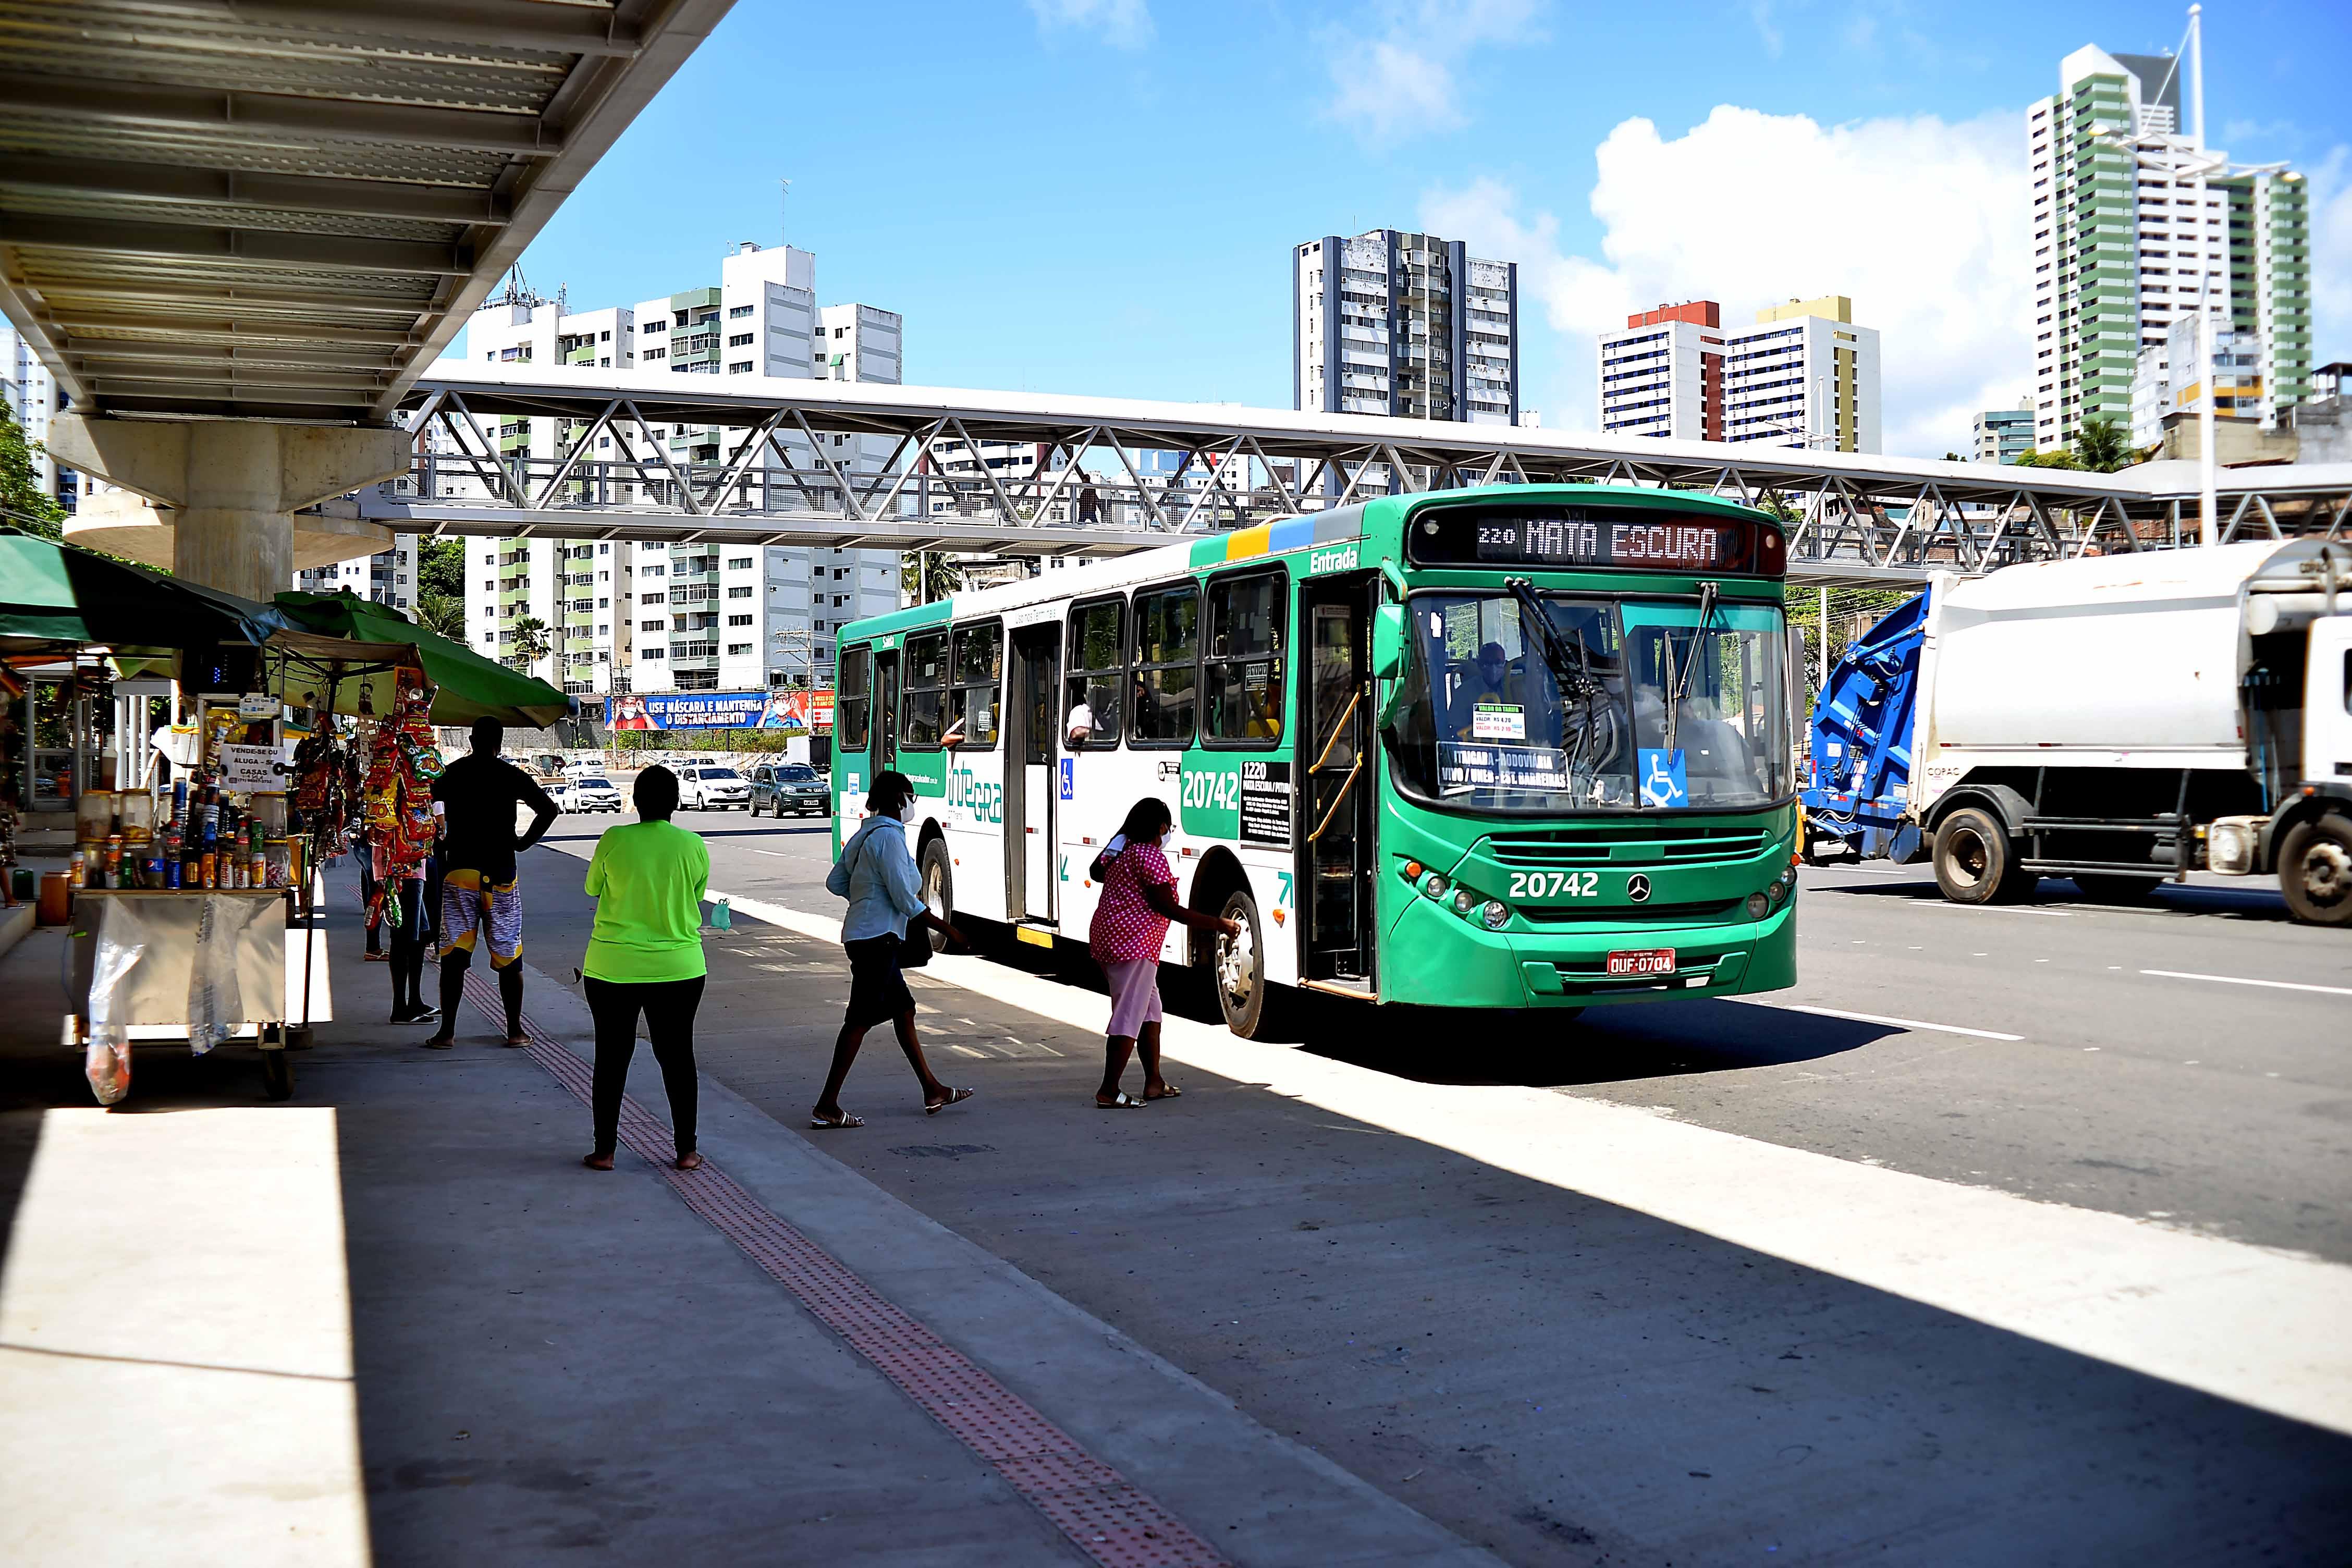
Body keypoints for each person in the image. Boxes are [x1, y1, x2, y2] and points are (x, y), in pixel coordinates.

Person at [813, 770, 971, 1128]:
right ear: (900, 799)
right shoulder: (890, 838)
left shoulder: (865, 833)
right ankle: (827, 1104)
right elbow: (905, 899)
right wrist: (950, 931)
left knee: (904, 1010)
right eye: (911, 797)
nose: (913, 804)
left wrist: (866, 898)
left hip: (864, 935)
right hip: (877, 940)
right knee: (858, 1021)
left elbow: (836, 881)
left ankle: (933, 1089)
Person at [580, 766, 712, 1172]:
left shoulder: (614, 839)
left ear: (635, 802)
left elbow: (592, 888)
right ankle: (687, 1152)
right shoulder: (693, 845)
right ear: (676, 802)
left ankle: (605, 1152)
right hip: (680, 967)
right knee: (677, 1057)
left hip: (611, 967)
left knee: (612, 1056)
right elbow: (697, 894)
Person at [1087, 798, 1238, 1108]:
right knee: (1129, 1013)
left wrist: (1121, 836)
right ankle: (1109, 1090)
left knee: (1150, 1010)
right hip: (1133, 945)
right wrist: (1218, 923)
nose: (1169, 834)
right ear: (1159, 828)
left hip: (1111, 939)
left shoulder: (1122, 851)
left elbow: (1096, 870)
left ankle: (1154, 1081)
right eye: (1168, 828)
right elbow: (1168, 908)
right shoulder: (1150, 857)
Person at [423, 717, 559, 1050]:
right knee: (509, 956)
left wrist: (441, 842)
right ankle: (515, 1031)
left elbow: (426, 806)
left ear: (471, 740)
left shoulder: (451, 774)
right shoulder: (512, 775)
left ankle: (447, 1033)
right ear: (499, 741)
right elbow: (548, 810)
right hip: (501, 876)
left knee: (454, 956)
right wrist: (523, 842)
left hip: (459, 874)